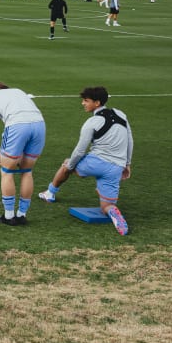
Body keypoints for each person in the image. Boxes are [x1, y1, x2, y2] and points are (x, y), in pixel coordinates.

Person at [38, 87, 133, 236]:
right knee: (106, 206)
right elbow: (130, 140)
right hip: (116, 167)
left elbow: (80, 151)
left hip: (95, 164)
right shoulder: (121, 114)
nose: (83, 103)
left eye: (86, 101)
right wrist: (127, 164)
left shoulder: (92, 122)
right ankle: (113, 212)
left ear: (97, 103)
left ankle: (50, 193)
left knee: (67, 164)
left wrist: (70, 165)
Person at [0, 81, 46, 226]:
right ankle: (22, 215)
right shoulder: (18, 91)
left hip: (17, 125)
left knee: (6, 171)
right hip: (40, 124)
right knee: (27, 171)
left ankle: (9, 216)